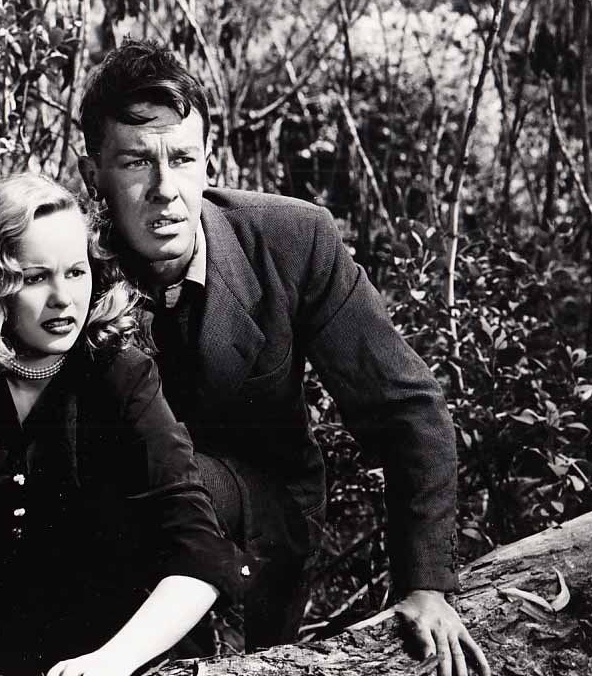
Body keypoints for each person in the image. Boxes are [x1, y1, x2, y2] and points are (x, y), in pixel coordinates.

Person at [77, 39, 491, 676]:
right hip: (121, 522)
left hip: (266, 515)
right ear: (93, 175)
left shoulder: (293, 238)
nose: (166, 190)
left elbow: (405, 405)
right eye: (136, 162)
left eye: (182, 159)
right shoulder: (65, 265)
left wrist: (426, 585)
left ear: (208, 160)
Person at [0, 172, 252, 676]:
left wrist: (111, 662)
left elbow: (198, 545)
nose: (63, 298)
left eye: (75, 272)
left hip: (119, 652)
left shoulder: (122, 375)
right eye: (35, 278)